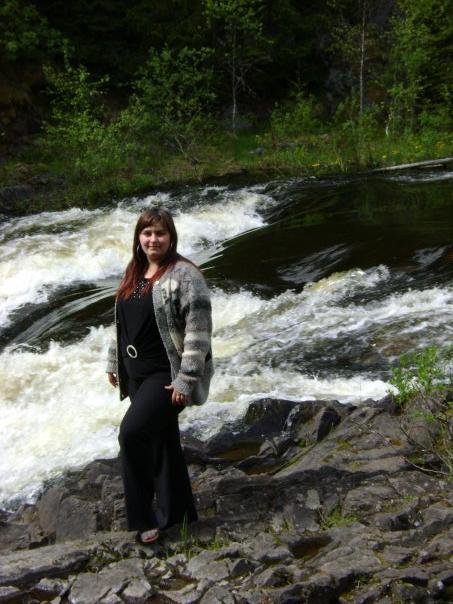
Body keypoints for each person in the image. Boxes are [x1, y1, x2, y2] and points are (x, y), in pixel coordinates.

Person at [106, 207, 214, 545]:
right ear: (138, 237)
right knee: (162, 441)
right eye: (147, 233)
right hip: (136, 373)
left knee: (131, 434)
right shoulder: (135, 271)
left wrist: (187, 378)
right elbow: (122, 323)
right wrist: (114, 360)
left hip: (165, 374)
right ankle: (179, 516)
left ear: (171, 237)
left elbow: (199, 333)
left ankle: (142, 520)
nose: (153, 239)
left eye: (160, 233)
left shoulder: (185, 276)